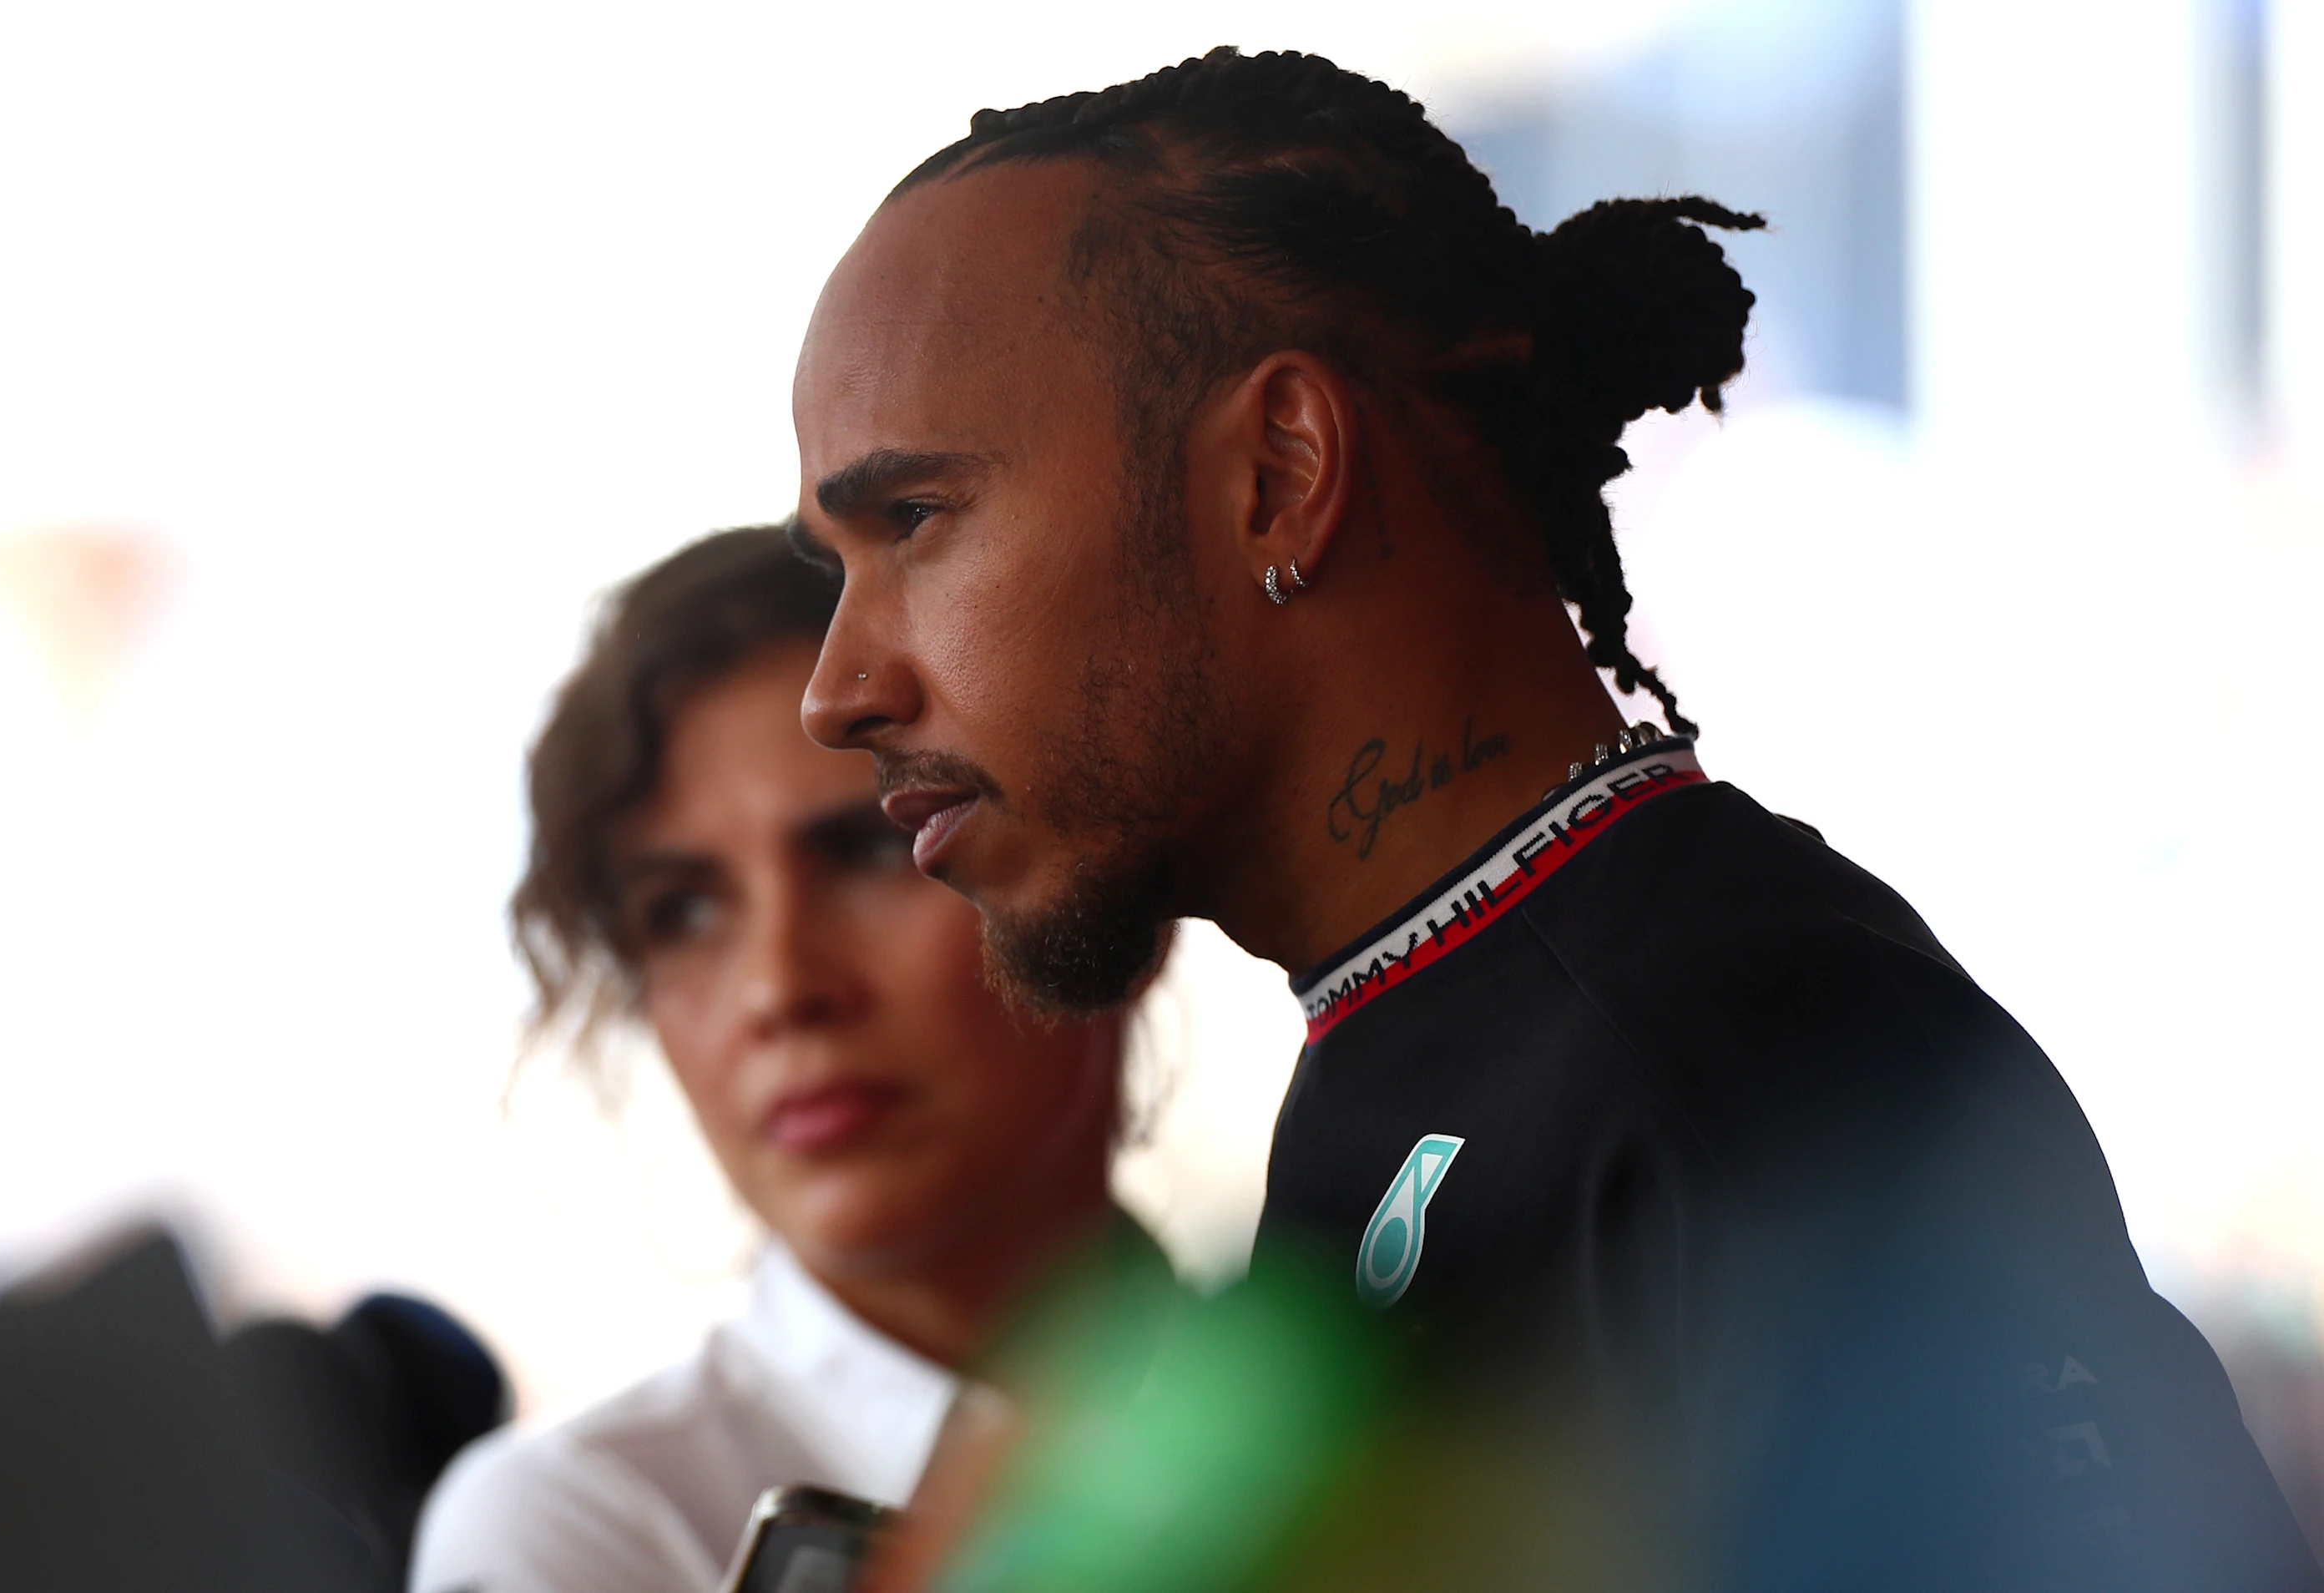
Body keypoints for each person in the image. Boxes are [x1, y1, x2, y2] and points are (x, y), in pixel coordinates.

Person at [787, 47, 2320, 1591]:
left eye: (914, 520)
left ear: (1279, 471)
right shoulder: (1414, 1034)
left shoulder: (1758, 1048)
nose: (839, 689)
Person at [409, 530, 1164, 1593]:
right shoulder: (580, 1530)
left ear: (1109, 898)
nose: (778, 988)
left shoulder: (1367, 1383)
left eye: (873, 848)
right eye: (682, 912)